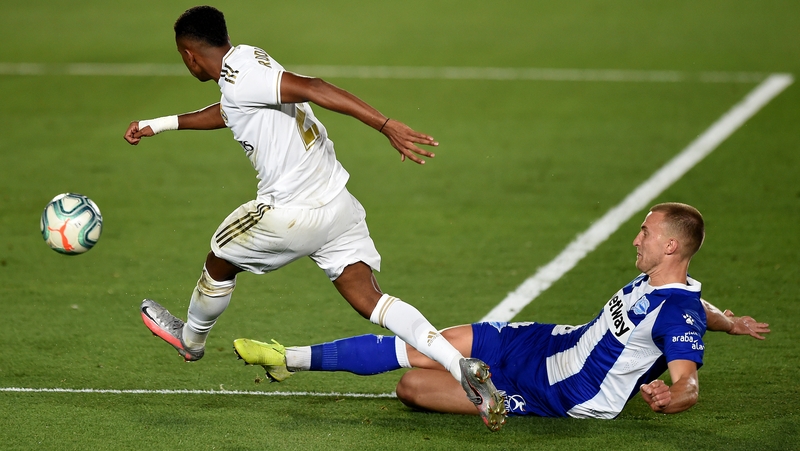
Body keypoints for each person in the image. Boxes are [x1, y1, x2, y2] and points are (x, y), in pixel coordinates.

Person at [122, 5, 505, 431]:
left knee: (219, 257)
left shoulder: (243, 76)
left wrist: (385, 125)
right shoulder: (247, 62)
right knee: (373, 300)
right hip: (338, 206)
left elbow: (315, 87)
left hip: (291, 212)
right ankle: (458, 366)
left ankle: (191, 340)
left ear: (189, 55)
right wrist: (160, 124)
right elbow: (231, 110)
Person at [233, 202, 770, 420]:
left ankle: (494, 396)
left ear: (671, 246)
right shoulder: (670, 287)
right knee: (426, 345)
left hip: (563, 390)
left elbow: (687, 378)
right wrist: (734, 323)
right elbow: (697, 306)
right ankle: (288, 359)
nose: (636, 239)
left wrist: (672, 396)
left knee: (410, 387)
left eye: (645, 233)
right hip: (547, 341)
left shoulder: (678, 314)